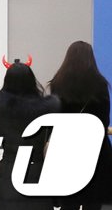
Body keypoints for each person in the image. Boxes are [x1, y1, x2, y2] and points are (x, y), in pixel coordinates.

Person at [0, 61, 61, 210]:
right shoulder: (45, 109)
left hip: (9, 170)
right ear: (31, 81)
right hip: (37, 169)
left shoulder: (2, 109)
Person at [49, 41, 112, 209]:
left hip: (67, 150)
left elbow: (53, 120)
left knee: (69, 202)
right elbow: (104, 121)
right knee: (94, 202)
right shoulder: (100, 85)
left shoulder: (57, 84)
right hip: (96, 150)